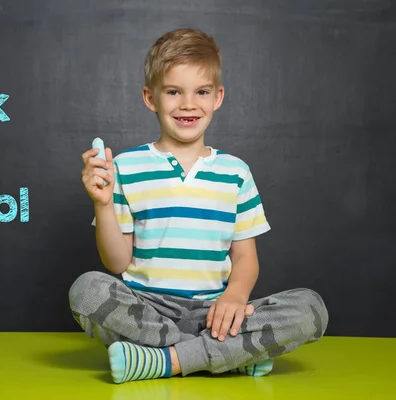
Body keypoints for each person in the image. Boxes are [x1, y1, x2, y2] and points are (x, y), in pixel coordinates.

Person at [69, 28, 329, 384]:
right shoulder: (125, 168)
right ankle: (227, 356)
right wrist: (101, 205)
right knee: (86, 291)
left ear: (218, 97)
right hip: (148, 311)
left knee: (310, 309)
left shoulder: (236, 173)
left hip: (216, 313)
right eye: (174, 92)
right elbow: (116, 263)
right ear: (150, 98)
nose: (188, 104)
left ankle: (164, 361)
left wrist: (235, 298)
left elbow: (245, 258)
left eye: (201, 92)